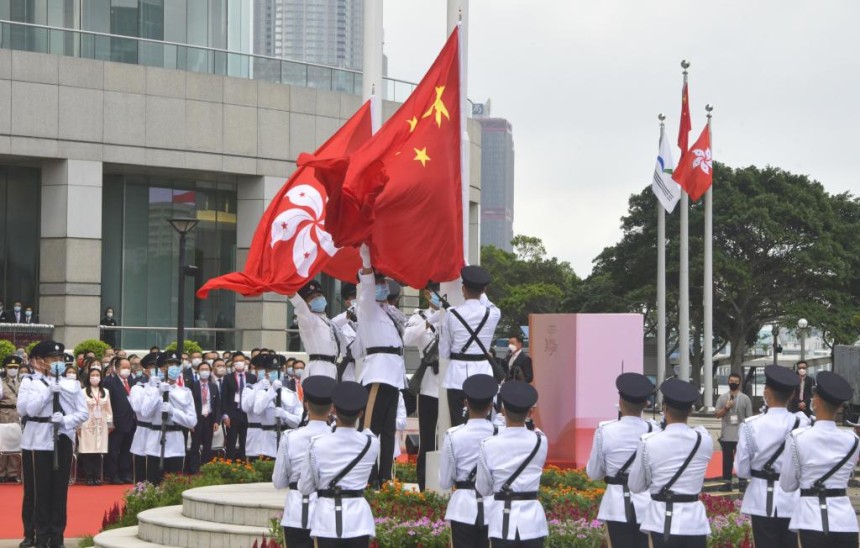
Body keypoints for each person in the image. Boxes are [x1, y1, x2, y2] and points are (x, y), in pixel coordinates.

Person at [17, 340, 87, 548]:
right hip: (38, 440)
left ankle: (57, 536)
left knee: (59, 491)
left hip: (62, 437)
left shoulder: (72, 384)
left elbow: (83, 413)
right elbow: (27, 410)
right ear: (41, 361)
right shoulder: (30, 382)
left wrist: (65, 421)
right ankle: (40, 535)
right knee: (39, 491)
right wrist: (48, 393)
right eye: (52, 359)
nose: (57, 362)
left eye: (60, 359)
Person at [628, 379, 714, 548]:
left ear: (664, 408)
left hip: (661, 520)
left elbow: (636, 486)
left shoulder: (649, 442)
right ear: (690, 410)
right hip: (694, 522)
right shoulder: (704, 440)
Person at [780, 371, 860, 547]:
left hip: (811, 519)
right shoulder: (853, 441)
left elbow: (787, 485)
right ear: (839, 407)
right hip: (845, 520)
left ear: (815, 402)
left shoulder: (797, 437)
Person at [735, 365, 810, 547]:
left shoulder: (751, 425)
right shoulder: (802, 423)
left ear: (766, 392)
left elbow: (742, 470)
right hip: (792, 498)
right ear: (792, 395)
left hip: (761, 498)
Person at [299, 381, 380, 547]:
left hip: (326, 520)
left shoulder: (317, 444)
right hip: (358, 520)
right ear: (360, 413)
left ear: (333, 410)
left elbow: (305, 488)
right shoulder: (371, 443)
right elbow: (367, 433)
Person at [586, 373, 658, 548]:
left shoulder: (605, 430)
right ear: (645, 403)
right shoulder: (654, 430)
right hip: (646, 503)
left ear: (620, 401)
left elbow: (593, 473)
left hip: (616, 504)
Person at [356, 243, 407, 487]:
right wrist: (367, 260)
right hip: (377, 374)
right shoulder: (367, 308)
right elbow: (366, 287)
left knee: (388, 431)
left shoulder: (391, 313)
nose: (382, 286)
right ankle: (368, 476)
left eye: (383, 282)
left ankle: (385, 477)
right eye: (379, 283)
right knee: (370, 429)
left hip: (393, 376)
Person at [476, 380, 547, 547]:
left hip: (501, 521)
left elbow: (484, 489)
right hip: (532, 523)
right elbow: (534, 431)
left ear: (502, 410)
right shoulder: (541, 440)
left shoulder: (488, 444)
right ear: (531, 411)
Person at [273, 376, 337, 548]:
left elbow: (279, 482)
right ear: (331, 407)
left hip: (297, 511)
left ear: (306, 404)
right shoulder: (335, 438)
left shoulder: (290, 438)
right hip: (329, 512)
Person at [440, 374, 499, 548]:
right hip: (494, 507)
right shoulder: (499, 434)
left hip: (462, 508)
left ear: (466, 403)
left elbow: (444, 482)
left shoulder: (453, 435)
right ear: (490, 406)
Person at [440, 265, 502, 427]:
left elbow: (444, 352)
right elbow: (487, 302)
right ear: (484, 289)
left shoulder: (451, 314)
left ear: (463, 288)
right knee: (484, 426)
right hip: (483, 375)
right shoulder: (493, 313)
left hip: (457, 377)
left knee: (458, 426)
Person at [403, 282, 444, 491]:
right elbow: (407, 338)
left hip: (449, 384)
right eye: (436, 293)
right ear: (428, 294)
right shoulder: (419, 317)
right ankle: (424, 484)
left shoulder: (453, 315)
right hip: (428, 384)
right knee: (428, 438)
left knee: (449, 437)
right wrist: (430, 321)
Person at [141, 352, 196, 485]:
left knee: (174, 484)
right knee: (153, 483)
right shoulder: (150, 389)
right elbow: (145, 413)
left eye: (176, 365)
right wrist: (158, 393)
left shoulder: (185, 392)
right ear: (161, 369)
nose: (173, 368)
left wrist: (173, 412)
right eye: (169, 365)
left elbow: (192, 421)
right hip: (155, 441)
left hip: (176, 441)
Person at [244, 355, 302, 460]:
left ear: (283, 371)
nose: (276, 373)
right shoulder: (261, 392)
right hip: (266, 445)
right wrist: (272, 391)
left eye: (279, 370)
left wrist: (285, 415)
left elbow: (297, 421)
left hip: (285, 442)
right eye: (272, 370)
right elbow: (257, 409)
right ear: (266, 374)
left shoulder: (291, 394)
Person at [289, 280, 345, 379]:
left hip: (332, 368)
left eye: (319, 295)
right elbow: (298, 304)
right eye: (312, 298)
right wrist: (288, 288)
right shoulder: (307, 319)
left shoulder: (328, 322)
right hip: (317, 370)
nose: (317, 298)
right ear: (306, 303)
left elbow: (340, 321)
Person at [714, 371, 753, 491]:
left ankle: (742, 482)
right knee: (727, 460)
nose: (733, 383)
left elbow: (749, 419)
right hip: (727, 434)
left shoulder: (745, 398)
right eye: (731, 381)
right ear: (728, 382)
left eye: (736, 382)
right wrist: (726, 408)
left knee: (741, 459)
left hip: (741, 435)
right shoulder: (722, 398)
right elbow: (717, 415)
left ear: (739, 383)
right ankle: (727, 483)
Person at [103, 357, 137, 484]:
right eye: (124, 367)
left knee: (127, 449)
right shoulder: (109, 382)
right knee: (113, 450)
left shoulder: (133, 382)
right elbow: (107, 403)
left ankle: (125, 473)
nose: (126, 370)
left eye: (128, 367)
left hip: (132, 421)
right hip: (117, 422)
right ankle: (113, 474)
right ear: (117, 369)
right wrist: (110, 421)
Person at [78, 367, 113, 486]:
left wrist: (109, 424)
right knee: (88, 451)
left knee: (98, 451)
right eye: (92, 375)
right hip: (87, 424)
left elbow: (108, 409)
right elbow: (79, 409)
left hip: (101, 424)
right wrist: (78, 425)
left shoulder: (106, 392)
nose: (95, 377)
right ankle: (89, 476)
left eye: (97, 375)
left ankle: (97, 476)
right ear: (88, 377)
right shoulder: (82, 392)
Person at [129, 352, 159, 483]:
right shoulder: (138, 387)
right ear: (146, 370)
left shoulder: (165, 387)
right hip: (144, 430)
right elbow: (139, 409)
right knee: (142, 470)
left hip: (160, 432)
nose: (155, 370)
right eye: (152, 367)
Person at [221, 351, 256, 460]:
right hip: (233, 414)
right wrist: (225, 415)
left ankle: (244, 466)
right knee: (231, 442)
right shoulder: (227, 378)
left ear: (245, 362)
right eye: (236, 361)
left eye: (241, 360)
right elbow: (224, 397)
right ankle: (229, 466)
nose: (239, 363)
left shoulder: (252, 377)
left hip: (247, 414)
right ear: (232, 363)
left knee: (245, 442)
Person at [188, 360, 221, 472]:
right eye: (202, 369)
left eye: (206, 369)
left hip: (209, 419)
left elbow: (217, 405)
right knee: (195, 445)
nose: (204, 372)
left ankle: (206, 468)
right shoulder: (193, 385)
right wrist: (190, 421)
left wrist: (217, 421)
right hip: (197, 419)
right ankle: (194, 469)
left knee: (208, 445)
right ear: (198, 371)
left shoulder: (213, 386)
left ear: (210, 371)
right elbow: (189, 404)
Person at [0, 354, 22, 483]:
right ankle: (1, 472)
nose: (13, 369)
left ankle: (13, 472)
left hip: (17, 415)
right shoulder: (1, 383)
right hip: (4, 413)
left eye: (15, 367)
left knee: (15, 443)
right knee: (2, 444)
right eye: (10, 367)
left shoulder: (23, 382)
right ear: (5, 368)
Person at [331, 283, 359, 382]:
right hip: (350, 369)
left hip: (368, 366)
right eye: (354, 296)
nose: (358, 298)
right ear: (347, 302)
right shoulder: (341, 321)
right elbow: (332, 324)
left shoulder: (368, 319)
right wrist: (349, 313)